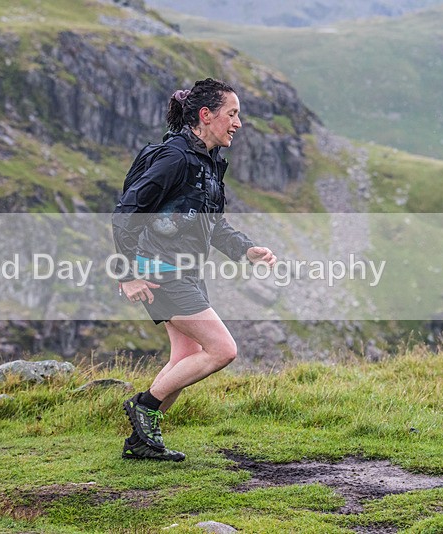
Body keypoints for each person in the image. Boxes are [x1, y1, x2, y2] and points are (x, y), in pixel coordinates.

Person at [112, 78, 277, 461]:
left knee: (185, 357)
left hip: (186, 271)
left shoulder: (208, 162)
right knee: (222, 350)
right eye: (232, 114)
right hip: (160, 271)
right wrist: (128, 274)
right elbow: (126, 213)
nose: (238, 123)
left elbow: (213, 225)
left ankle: (141, 443)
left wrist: (245, 249)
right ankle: (144, 405)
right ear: (206, 115)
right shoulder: (175, 159)